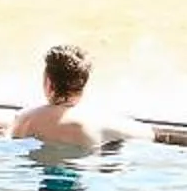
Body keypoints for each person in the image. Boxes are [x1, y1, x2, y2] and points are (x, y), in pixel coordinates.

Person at [9, 43, 153, 154]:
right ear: (82, 87)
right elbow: (148, 135)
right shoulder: (94, 123)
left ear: (49, 83)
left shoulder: (23, 119)